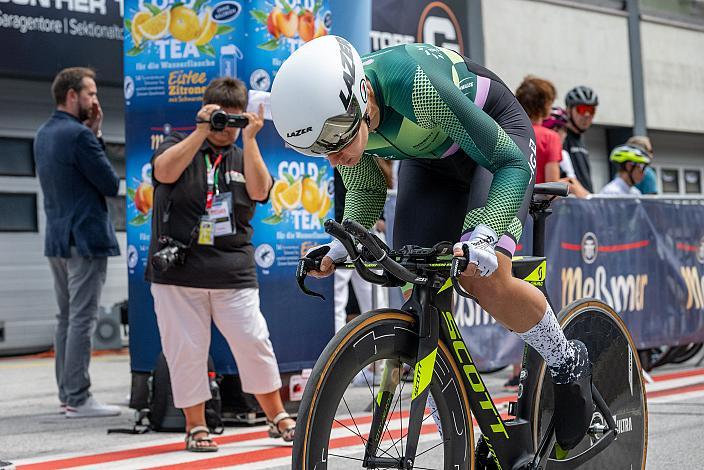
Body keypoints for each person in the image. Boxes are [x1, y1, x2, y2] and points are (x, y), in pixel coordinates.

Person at [271, 36, 593, 451]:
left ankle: (567, 360)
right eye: (319, 150)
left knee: (484, 278)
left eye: (334, 142)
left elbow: (508, 160)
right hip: (431, 162)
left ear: (362, 98)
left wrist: (485, 233)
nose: (332, 158)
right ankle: (458, 441)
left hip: (498, 143)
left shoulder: (416, 86)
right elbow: (367, 188)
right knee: (416, 286)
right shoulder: (340, 116)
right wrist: (339, 248)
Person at [146, 77, 294, 452]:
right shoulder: (178, 146)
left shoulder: (244, 152)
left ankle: (277, 417)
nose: (227, 128)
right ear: (206, 113)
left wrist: (251, 139)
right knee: (186, 349)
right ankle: (196, 426)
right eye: (220, 120)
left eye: (234, 120)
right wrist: (199, 132)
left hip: (232, 271)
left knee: (254, 341)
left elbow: (261, 191)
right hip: (178, 273)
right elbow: (163, 173)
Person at [34, 67, 122, 418]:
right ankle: (79, 397)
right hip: (85, 239)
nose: (96, 101)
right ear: (72, 96)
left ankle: (67, 395)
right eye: (91, 94)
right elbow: (109, 183)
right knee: (82, 319)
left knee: (66, 318)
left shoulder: (43, 133)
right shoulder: (79, 136)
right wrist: (96, 135)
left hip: (57, 238)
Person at [515, 76, 562, 184]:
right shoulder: (550, 137)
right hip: (536, 200)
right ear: (545, 104)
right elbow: (552, 186)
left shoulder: (508, 131)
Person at [542, 107, 591, 198]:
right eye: (564, 130)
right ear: (555, 130)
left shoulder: (564, 154)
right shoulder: (549, 149)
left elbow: (572, 180)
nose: (565, 134)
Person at [563, 85, 599, 193]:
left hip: (584, 204)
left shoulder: (581, 139)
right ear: (569, 110)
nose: (587, 115)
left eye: (591, 110)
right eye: (582, 109)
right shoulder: (562, 137)